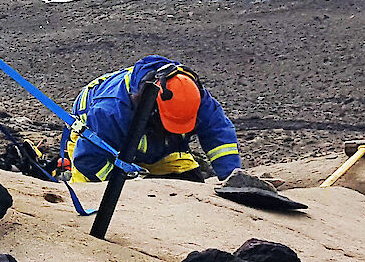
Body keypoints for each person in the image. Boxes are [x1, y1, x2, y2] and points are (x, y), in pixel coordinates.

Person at [63, 55, 242, 183]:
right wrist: (126, 184)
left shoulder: (191, 94)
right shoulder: (109, 111)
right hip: (96, 144)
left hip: (157, 147)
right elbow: (88, 160)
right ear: (153, 112)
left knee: (190, 182)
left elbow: (219, 134)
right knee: (91, 199)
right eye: (171, 126)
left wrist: (232, 178)